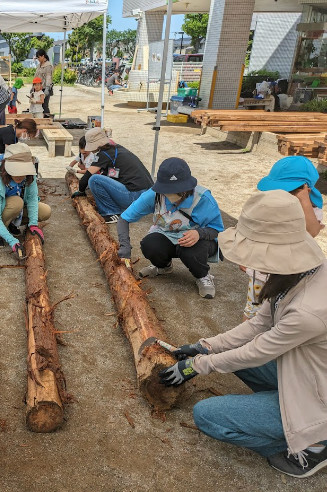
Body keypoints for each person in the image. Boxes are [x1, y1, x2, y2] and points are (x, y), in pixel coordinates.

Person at [160, 190, 327, 479]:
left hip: (319, 397)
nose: (244, 263)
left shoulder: (308, 311)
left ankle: (312, 445)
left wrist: (196, 365)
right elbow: (257, 326)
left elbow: (258, 350)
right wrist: (203, 347)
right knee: (232, 357)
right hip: (305, 372)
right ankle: (282, 411)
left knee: (207, 416)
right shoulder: (297, 272)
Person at [120, 158, 224, 299]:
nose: (170, 195)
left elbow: (217, 229)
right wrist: (124, 247)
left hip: (197, 240)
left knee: (191, 251)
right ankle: (163, 267)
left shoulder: (203, 199)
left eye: (177, 191)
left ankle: (203, 276)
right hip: (167, 234)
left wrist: (199, 233)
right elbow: (124, 218)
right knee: (150, 244)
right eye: (167, 190)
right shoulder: (155, 195)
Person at [239, 155, 324, 319]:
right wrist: (244, 256)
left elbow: (311, 232)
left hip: (290, 270)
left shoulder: (312, 207)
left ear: (305, 188)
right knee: (253, 310)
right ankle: (245, 340)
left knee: (279, 310)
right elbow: (255, 230)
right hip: (262, 268)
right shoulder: (270, 201)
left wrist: (304, 200)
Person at [0, 143, 51, 258]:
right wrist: (12, 241)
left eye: (22, 170)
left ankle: (10, 223)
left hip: (11, 208)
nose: (20, 175)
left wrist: (33, 224)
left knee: (45, 211)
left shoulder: (30, 176)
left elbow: (32, 199)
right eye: (16, 170)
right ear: (6, 165)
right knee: (16, 203)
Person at [70, 127, 153, 223]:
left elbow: (88, 176)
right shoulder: (116, 149)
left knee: (95, 180)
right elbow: (110, 175)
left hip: (134, 196)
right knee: (101, 177)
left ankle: (111, 212)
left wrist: (80, 190)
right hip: (146, 196)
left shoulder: (104, 154)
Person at [34, 49, 53, 117]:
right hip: (37, 88)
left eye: (39, 57)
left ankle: (48, 119)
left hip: (45, 88)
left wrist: (47, 88)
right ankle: (40, 118)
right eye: (37, 57)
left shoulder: (48, 65)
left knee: (44, 105)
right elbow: (36, 76)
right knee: (37, 105)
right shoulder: (39, 66)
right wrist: (32, 87)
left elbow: (48, 77)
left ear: (43, 56)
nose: (38, 59)